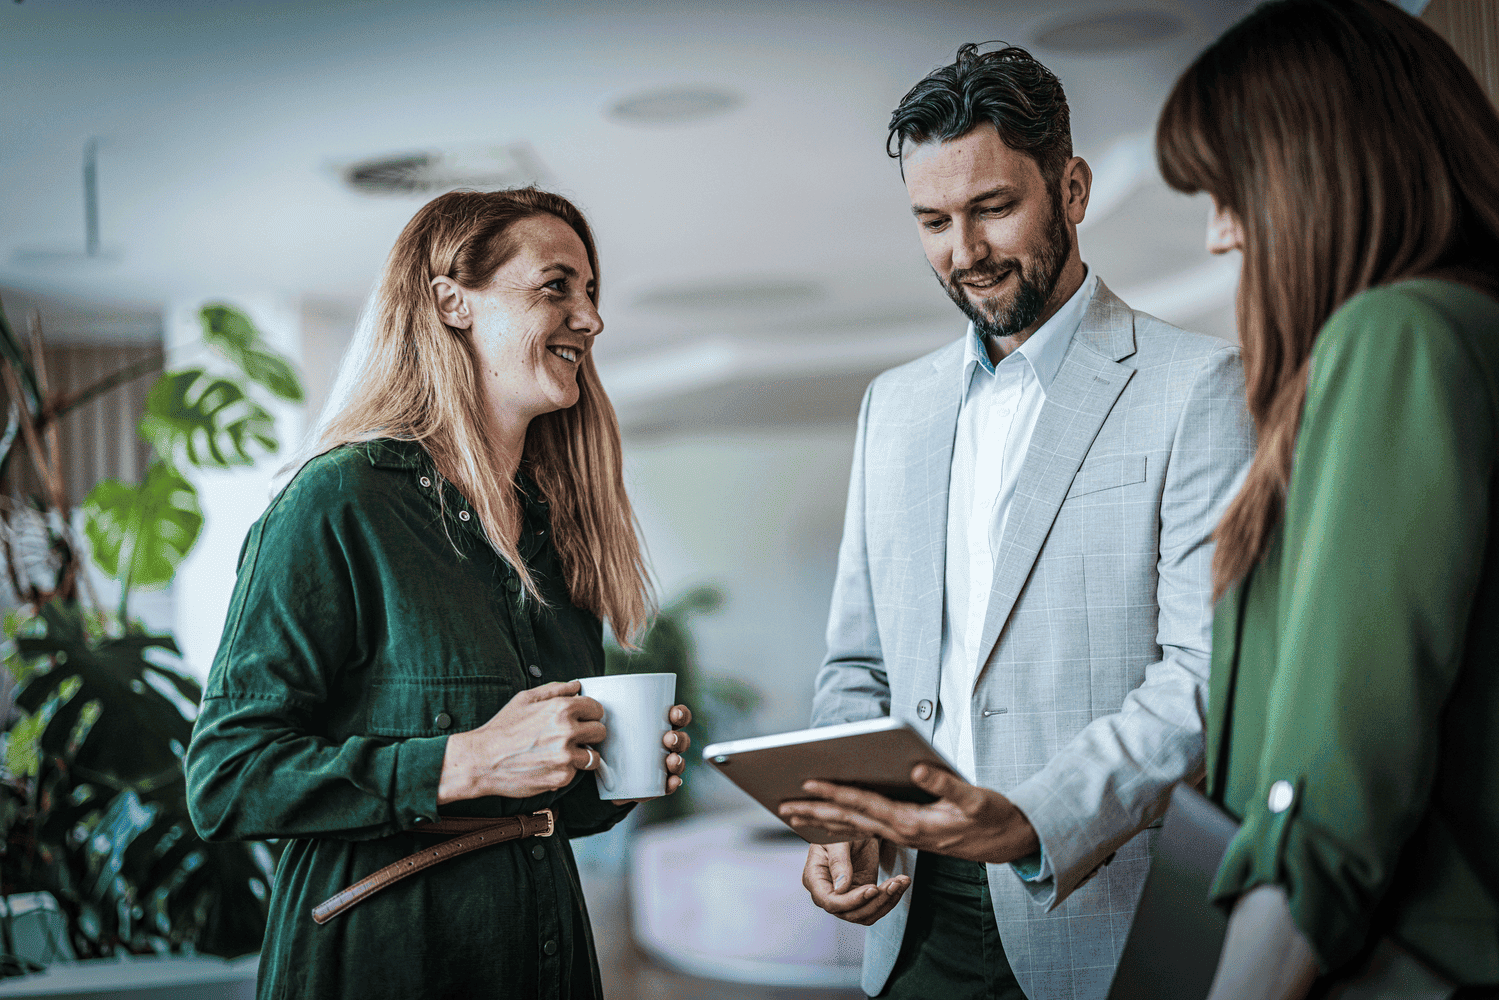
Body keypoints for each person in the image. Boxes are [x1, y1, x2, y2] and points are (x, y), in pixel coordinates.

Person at [778, 43, 1256, 1000]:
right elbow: (856, 663)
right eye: (933, 221)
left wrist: (1032, 818)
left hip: (1089, 900)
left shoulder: (1198, 386)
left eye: (993, 208)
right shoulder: (894, 406)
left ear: (1071, 189)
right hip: (911, 914)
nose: (964, 253)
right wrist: (849, 814)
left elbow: (1201, 675)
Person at [184, 188, 692, 1000]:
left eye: (590, 293)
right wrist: (465, 759)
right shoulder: (339, 501)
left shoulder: (557, 527)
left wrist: (607, 774)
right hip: (385, 962)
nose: (590, 319)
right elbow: (227, 777)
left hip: (546, 960)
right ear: (452, 303)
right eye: (556, 286)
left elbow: (552, 806)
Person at [1152, 2, 1499, 998]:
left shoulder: (1396, 335)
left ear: (1313, 171)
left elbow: (1324, 792)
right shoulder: (1469, 325)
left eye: (1228, 191)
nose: (1220, 237)